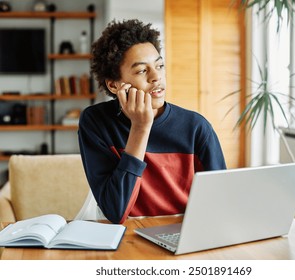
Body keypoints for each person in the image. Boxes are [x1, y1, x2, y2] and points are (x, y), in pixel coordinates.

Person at [78, 19, 226, 224]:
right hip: (126, 237)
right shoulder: (96, 122)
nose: (156, 77)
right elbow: (116, 211)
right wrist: (140, 127)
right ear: (114, 85)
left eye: (159, 65)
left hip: (183, 234)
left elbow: (220, 204)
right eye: (141, 70)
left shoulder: (196, 127)